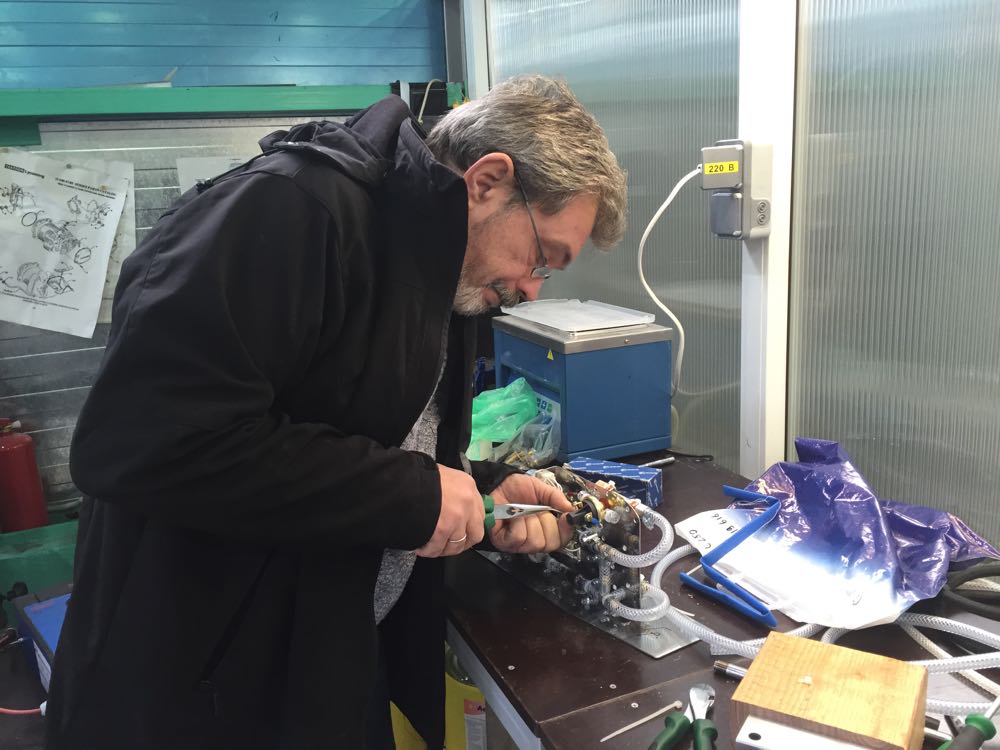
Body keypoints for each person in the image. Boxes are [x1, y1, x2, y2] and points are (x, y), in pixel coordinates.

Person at [45, 74, 627, 749]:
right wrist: (411, 497)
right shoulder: (290, 212)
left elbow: (376, 432)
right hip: (199, 692)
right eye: (543, 258)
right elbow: (142, 443)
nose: (531, 288)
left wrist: (485, 491)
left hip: (323, 665)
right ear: (487, 182)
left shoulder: (444, 269)